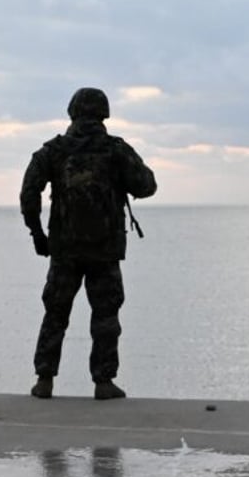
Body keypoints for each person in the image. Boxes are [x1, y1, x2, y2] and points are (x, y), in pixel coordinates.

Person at [20, 87, 157, 400]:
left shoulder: (54, 151)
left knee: (55, 314)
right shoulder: (115, 150)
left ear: (72, 112)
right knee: (106, 317)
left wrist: (38, 234)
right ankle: (103, 382)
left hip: (64, 250)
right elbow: (147, 186)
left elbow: (29, 193)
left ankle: (44, 379)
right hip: (104, 251)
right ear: (104, 113)